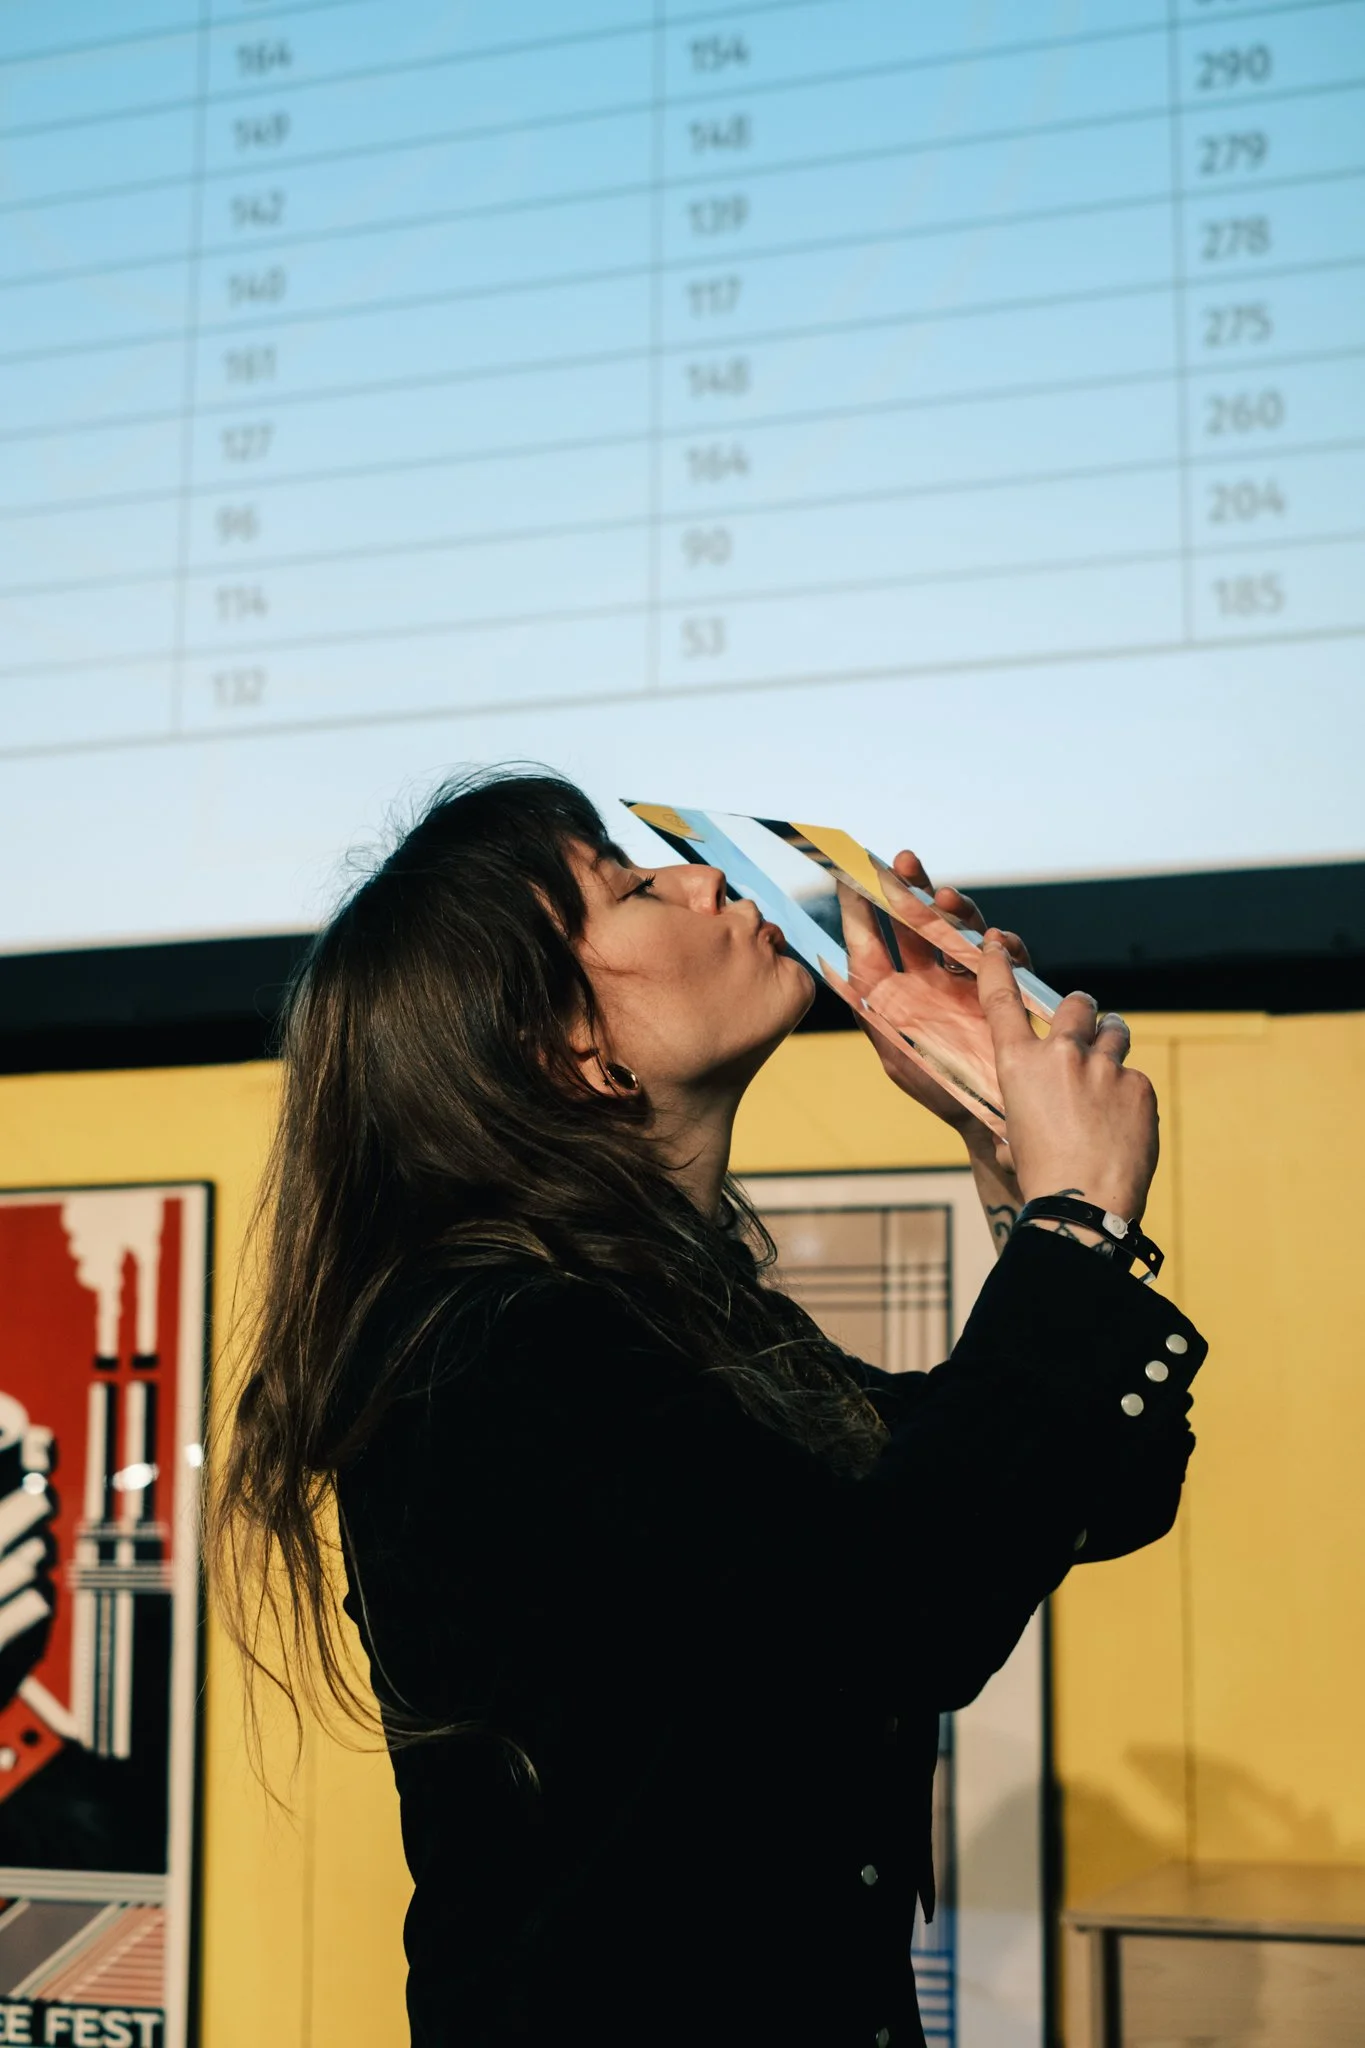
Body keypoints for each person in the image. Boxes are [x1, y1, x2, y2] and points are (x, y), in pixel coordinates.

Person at [209, 771, 1205, 2048]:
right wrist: (1073, 1228)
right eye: (632, 886)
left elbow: (1080, 1494)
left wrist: (1012, 1162)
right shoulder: (484, 1348)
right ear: (569, 1048)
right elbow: (901, 1610)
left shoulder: (675, 1323)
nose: (705, 876)